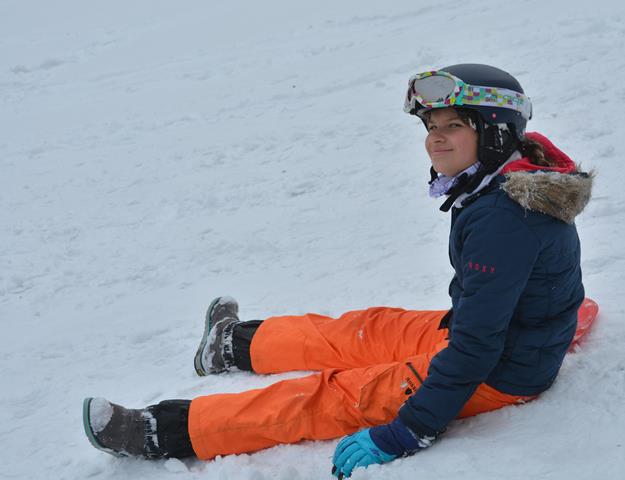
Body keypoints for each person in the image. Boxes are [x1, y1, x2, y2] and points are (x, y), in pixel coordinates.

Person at [83, 64, 594, 478]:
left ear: (495, 131)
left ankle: (162, 429)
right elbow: (538, 290)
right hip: (487, 337)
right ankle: (233, 343)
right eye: (431, 127)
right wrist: (564, 319)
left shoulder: (504, 219)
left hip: (494, 371)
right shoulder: (509, 182)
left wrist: (407, 430)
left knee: (335, 395)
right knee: (367, 328)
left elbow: (477, 349)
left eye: (453, 126)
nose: (435, 139)